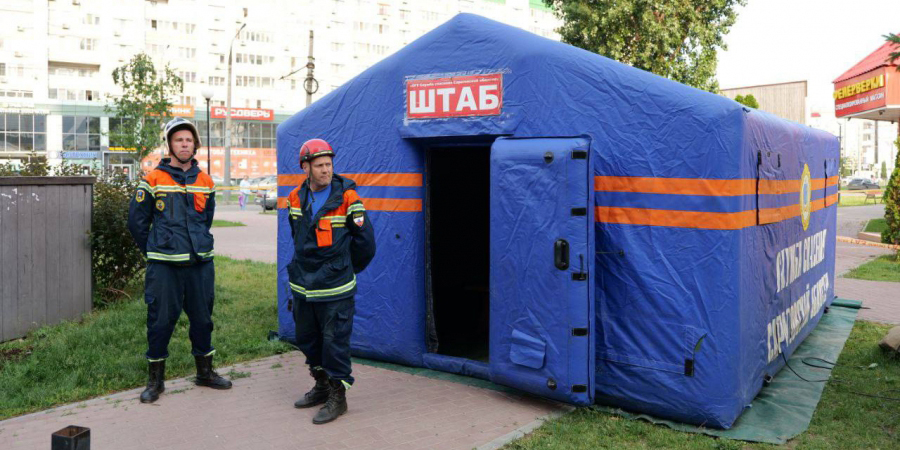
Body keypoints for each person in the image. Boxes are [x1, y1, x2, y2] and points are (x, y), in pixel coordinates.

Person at [127, 117, 233, 404]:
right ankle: (155, 381)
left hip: (200, 264)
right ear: (170, 144)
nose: (184, 144)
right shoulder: (153, 179)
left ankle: (205, 373)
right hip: (164, 267)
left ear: (194, 144)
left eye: (188, 140)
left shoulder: (205, 181)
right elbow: (137, 223)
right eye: (178, 140)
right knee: (160, 321)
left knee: (203, 320)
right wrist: (154, 251)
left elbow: (206, 219)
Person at [287, 138, 376, 424]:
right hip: (303, 286)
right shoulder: (294, 198)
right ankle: (322, 386)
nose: (326, 170)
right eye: (319, 165)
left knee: (334, 343)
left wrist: (345, 268)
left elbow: (366, 244)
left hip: (335, 288)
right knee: (307, 339)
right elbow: (298, 238)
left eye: (329, 164)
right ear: (305, 168)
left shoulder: (348, 198)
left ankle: (339, 397)